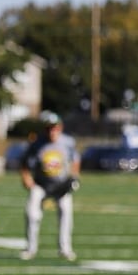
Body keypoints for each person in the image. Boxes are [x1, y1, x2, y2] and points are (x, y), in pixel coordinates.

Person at [19, 111, 80, 261]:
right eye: (48, 128)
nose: (51, 131)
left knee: (66, 212)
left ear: (60, 127)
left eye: (54, 128)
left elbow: (76, 159)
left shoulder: (68, 142)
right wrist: (26, 178)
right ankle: (30, 248)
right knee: (31, 213)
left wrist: (74, 177)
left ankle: (65, 249)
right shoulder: (37, 143)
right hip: (41, 184)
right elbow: (25, 163)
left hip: (61, 185)